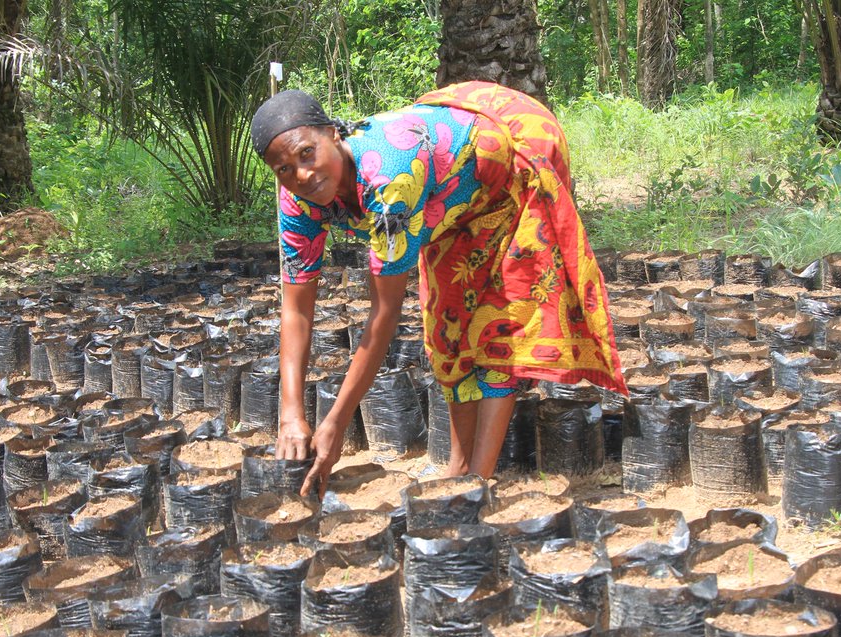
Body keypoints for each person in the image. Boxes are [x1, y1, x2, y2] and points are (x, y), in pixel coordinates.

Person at [253, 81, 626, 496]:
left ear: (333, 134)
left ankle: (473, 487)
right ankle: (459, 470)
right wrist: (291, 414)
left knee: (497, 326)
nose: (301, 174)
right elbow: (296, 310)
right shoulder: (297, 200)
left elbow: (384, 313)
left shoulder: (390, 180)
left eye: (308, 153)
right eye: (283, 169)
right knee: (447, 335)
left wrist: (337, 422)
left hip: (506, 166)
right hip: (448, 199)